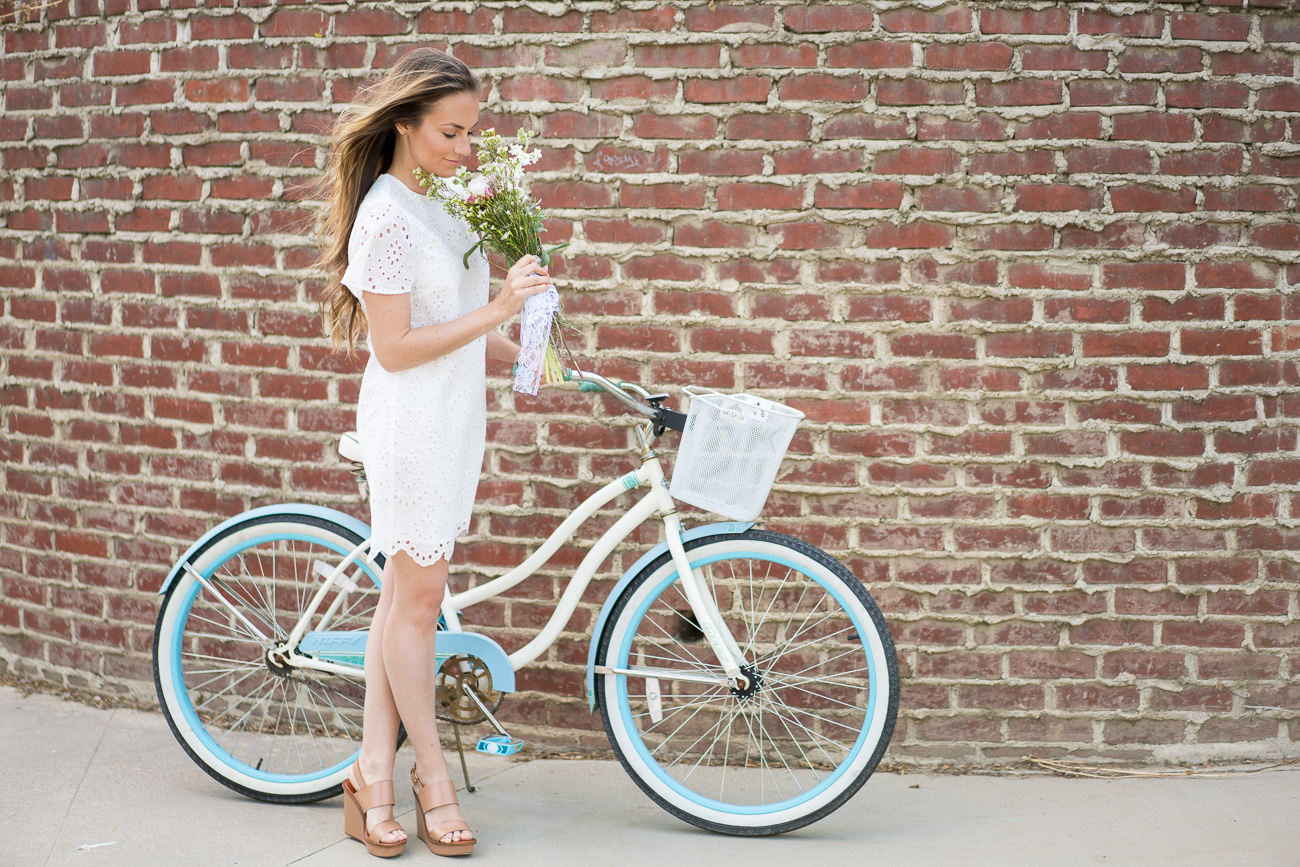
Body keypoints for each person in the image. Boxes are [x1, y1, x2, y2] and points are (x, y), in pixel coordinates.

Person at [313, 47, 553, 858]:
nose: (465, 148)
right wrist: (500, 310)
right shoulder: (384, 217)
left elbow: (460, 315)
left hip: (455, 417)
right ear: (407, 125)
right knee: (418, 606)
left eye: (473, 134)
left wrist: (534, 332)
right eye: (452, 132)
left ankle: (368, 775)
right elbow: (397, 347)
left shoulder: (448, 202)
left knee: (399, 605)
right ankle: (431, 780)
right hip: (412, 421)